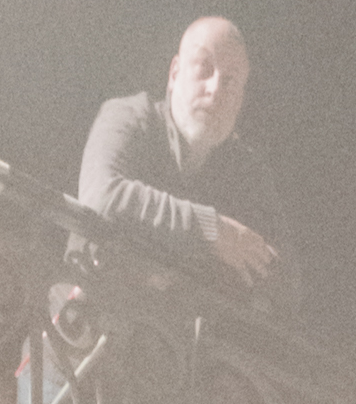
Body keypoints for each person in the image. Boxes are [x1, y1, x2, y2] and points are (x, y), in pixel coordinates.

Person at [74, 18, 299, 312]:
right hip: (78, 329)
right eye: (204, 69)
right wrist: (211, 230)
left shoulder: (246, 170)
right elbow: (102, 197)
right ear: (174, 73)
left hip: (168, 339)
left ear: (241, 100)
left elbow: (286, 281)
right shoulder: (127, 116)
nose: (215, 89)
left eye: (230, 81)